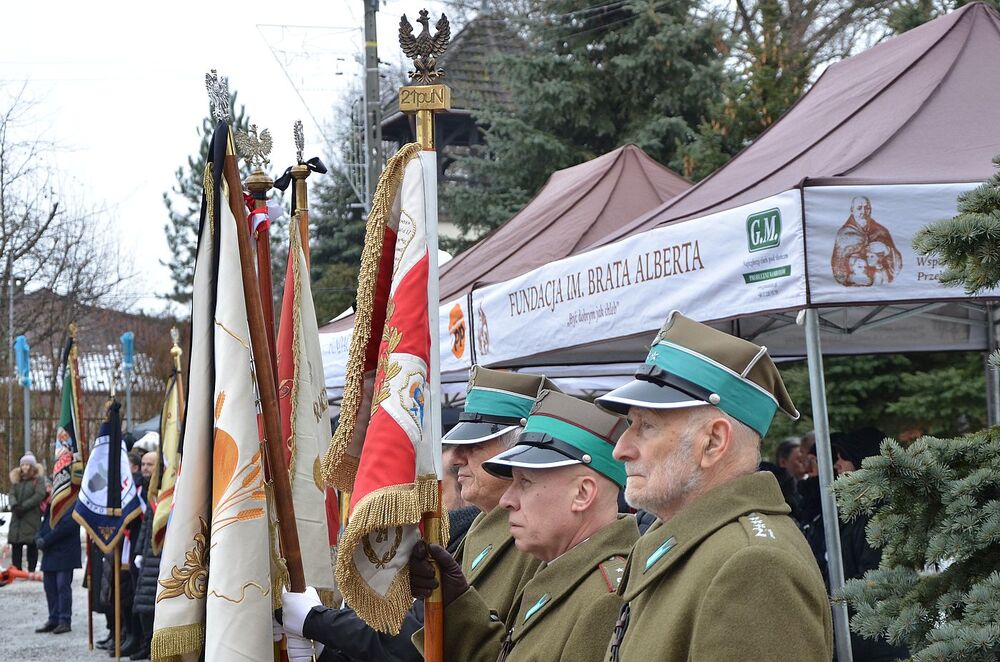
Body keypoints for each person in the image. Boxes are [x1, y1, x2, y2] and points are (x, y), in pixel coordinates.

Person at [595, 311, 833, 661]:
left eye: (646, 426)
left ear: (713, 442)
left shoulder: (752, 565)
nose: (621, 449)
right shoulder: (697, 543)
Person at [279, 367, 550, 661]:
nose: (457, 459)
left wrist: (316, 622)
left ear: (519, 452)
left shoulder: (536, 543)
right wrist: (323, 647)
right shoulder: (478, 529)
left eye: (475, 445)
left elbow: (415, 641)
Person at [409, 390, 639, 661]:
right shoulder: (560, 568)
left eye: (525, 483)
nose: (507, 500)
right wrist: (455, 602)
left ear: (582, 494)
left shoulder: (604, 598)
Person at [830, 428, 909, 662]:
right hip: (857, 632)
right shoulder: (856, 510)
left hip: (876, 638)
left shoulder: (881, 513)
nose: (837, 466)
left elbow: (874, 576)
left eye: (842, 458)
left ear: (861, 459)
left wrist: (835, 598)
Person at [34, 492, 82, 634]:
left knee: (62, 586)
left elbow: (67, 526)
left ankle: (64, 620)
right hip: (50, 552)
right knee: (49, 586)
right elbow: (44, 523)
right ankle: (53, 618)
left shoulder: (71, 501)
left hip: (65, 552)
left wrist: (46, 540)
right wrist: (38, 537)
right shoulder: (52, 503)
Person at [831, 196, 903, 287]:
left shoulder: (880, 231)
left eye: (867, 208)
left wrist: (887, 250)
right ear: (852, 210)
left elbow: (896, 268)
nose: (863, 212)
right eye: (859, 208)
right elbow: (839, 269)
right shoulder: (845, 234)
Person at [130, 450, 161, 660]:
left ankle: (155, 646)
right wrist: (139, 552)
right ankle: (145, 643)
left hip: (161, 556)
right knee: (142, 605)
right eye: (144, 464)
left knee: (156, 605)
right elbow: (146, 527)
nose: (146, 468)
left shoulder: (164, 491)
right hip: (148, 555)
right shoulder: (148, 491)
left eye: (151, 464)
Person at [8, 452, 47, 571]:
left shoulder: (38, 480)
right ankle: (17, 569)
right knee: (16, 544)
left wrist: (24, 506)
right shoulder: (17, 480)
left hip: (31, 516)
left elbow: (39, 495)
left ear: (32, 466)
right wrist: (14, 505)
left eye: (27, 464)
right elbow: (12, 494)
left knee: (31, 544)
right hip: (17, 517)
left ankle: (31, 569)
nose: (24, 467)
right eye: (23, 464)